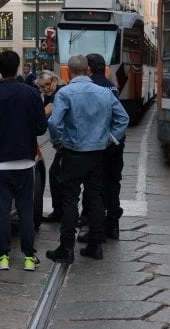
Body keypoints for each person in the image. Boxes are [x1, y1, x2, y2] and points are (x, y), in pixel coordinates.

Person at [45, 54, 129, 264]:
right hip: (97, 153)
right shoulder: (104, 92)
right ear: (88, 70)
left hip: (73, 152)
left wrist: (58, 141)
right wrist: (110, 139)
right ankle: (95, 245)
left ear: (68, 71)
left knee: (70, 199)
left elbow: (54, 123)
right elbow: (123, 119)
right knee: (94, 198)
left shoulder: (65, 93)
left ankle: (66, 248)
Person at [0, 50, 47, 271]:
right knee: (25, 210)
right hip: (25, 160)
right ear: (18, 67)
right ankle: (28, 257)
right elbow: (41, 127)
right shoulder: (32, 94)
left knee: (2, 210)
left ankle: (3, 256)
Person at [85, 53, 125, 241]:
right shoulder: (111, 85)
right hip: (115, 144)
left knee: (95, 187)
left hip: (97, 144)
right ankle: (113, 226)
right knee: (113, 183)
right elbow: (121, 117)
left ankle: (97, 230)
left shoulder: (90, 86)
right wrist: (114, 137)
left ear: (89, 69)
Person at [35, 70, 65, 223]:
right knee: (56, 174)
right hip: (63, 141)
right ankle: (60, 210)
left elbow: (46, 114)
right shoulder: (48, 95)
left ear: (54, 80)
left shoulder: (59, 93)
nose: (45, 88)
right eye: (42, 87)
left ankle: (62, 212)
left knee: (57, 174)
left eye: (47, 84)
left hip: (66, 141)